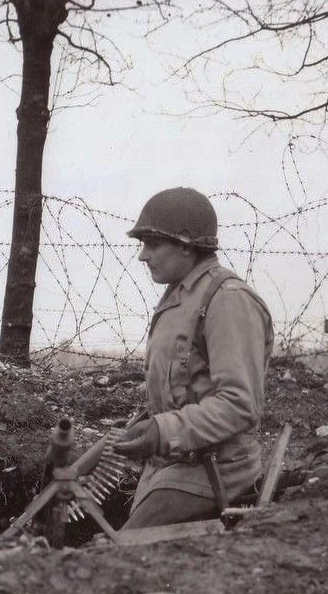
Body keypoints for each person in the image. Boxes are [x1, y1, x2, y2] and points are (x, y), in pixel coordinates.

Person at [113, 188, 274, 528]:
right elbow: (185, 388)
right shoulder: (180, 296)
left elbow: (240, 404)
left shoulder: (227, 300)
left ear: (186, 245)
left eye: (152, 244)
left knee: (117, 554)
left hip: (217, 471)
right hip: (174, 467)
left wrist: (163, 429)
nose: (143, 256)